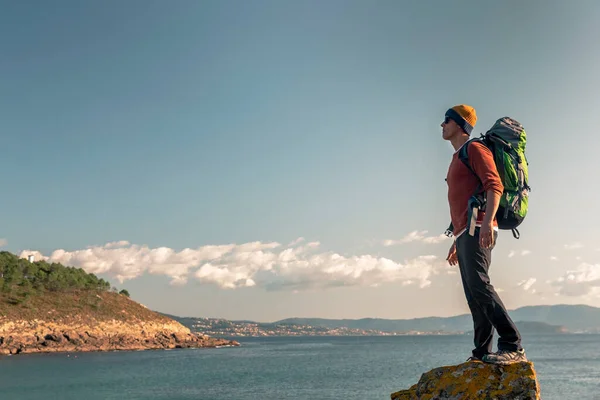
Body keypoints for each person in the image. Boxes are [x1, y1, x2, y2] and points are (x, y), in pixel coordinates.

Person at [442, 104, 527, 365]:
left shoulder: (475, 149)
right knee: (473, 293)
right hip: (465, 231)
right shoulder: (457, 157)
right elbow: (462, 198)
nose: (442, 125)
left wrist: (488, 221)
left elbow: (494, 185)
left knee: (480, 286)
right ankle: (481, 353)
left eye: (446, 120)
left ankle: (512, 344)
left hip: (478, 228)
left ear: (459, 124)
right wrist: (456, 238)